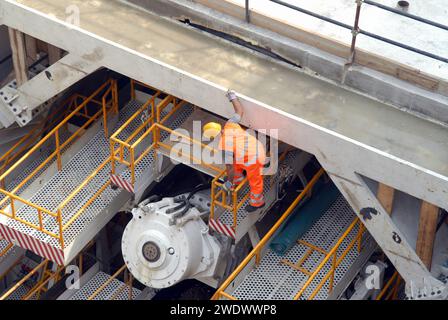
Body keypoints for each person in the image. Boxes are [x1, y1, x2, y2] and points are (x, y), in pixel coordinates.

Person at [218, 89, 266, 212]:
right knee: (236, 161)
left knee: (255, 180)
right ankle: (236, 180)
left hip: (253, 158)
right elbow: (239, 111)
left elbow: (229, 168)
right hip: (257, 147)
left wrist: (228, 183)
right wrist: (232, 97)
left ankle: (257, 203)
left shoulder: (224, 145)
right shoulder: (230, 124)